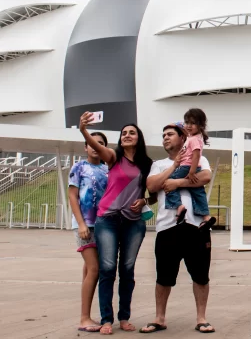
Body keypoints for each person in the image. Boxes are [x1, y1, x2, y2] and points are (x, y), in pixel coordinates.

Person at [79, 113, 153, 335]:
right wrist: (83, 130)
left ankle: (124, 317)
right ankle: (107, 319)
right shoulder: (113, 157)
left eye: (131, 132)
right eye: (123, 133)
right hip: (108, 220)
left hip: (134, 223)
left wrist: (146, 200)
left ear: (138, 138)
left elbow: (155, 192)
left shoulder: (147, 164)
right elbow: (97, 147)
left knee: (127, 270)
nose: (127, 135)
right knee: (108, 269)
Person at [138, 123, 215, 334]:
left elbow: (205, 176)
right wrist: (172, 169)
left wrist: (175, 183)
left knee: (200, 275)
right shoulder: (158, 164)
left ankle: (202, 318)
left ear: (183, 138)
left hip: (197, 226)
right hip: (167, 227)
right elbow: (152, 186)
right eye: (163, 135)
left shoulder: (200, 158)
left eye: (170, 134)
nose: (165, 138)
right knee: (163, 276)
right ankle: (159, 317)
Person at [68, 131, 109, 333]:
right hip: (84, 225)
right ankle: (84, 318)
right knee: (94, 268)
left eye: (100, 143)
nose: (95, 146)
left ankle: (88, 315)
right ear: (85, 147)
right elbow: (73, 196)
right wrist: (81, 224)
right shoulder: (79, 167)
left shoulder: (107, 169)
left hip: (102, 224)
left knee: (89, 269)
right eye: (91, 143)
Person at [164, 108, 211, 227]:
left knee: (169, 182)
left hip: (187, 167)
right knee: (198, 190)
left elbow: (196, 156)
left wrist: (191, 172)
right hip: (189, 167)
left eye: (193, 123)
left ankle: (178, 206)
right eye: (187, 122)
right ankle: (206, 216)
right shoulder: (193, 137)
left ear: (200, 125)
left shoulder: (194, 139)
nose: (189, 126)